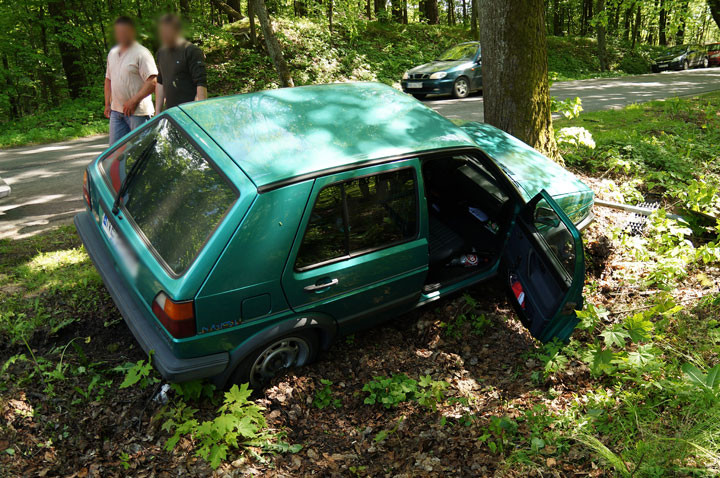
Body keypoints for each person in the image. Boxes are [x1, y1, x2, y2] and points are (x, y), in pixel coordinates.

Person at [104, 16, 158, 145]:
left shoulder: (142, 53)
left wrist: (134, 101)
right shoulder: (112, 53)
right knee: (114, 154)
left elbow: (153, 81)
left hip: (138, 112)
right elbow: (108, 80)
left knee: (142, 151)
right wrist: (107, 104)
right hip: (116, 112)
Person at [155, 14, 207, 113]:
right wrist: (157, 113)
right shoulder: (161, 53)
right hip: (171, 114)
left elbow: (201, 84)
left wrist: (200, 113)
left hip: (190, 113)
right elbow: (160, 82)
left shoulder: (191, 51)